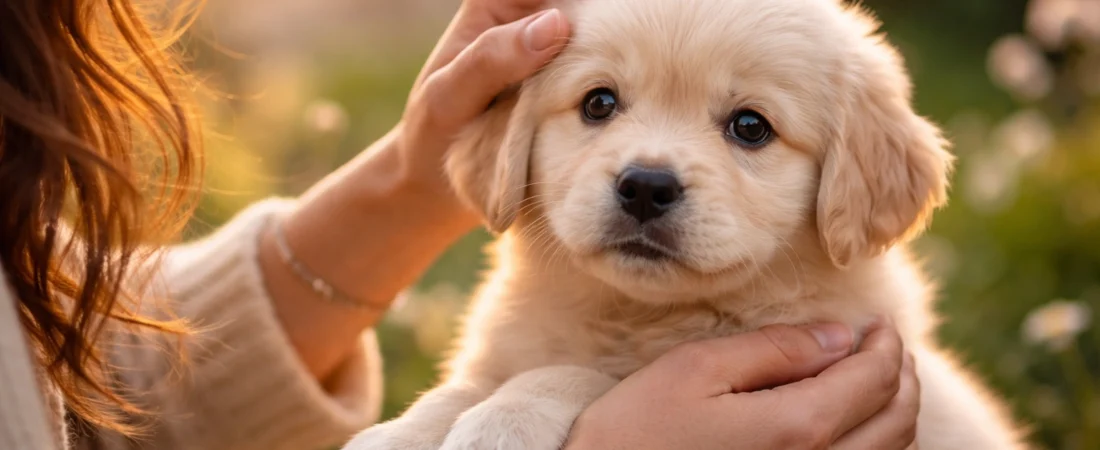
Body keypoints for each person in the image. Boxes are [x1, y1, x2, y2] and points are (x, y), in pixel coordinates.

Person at [0, 0, 920, 449]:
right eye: (598, 103)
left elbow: (49, 367)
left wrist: (414, 178)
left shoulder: (847, 369)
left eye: (748, 125)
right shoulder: (536, 318)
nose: (649, 173)